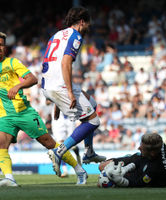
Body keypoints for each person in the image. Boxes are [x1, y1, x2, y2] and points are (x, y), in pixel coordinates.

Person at [0, 32, 87, 187]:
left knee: (49, 143)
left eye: (1, 45)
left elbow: (33, 79)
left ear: (5, 47)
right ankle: (9, 178)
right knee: (0, 143)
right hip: (5, 116)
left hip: (24, 112)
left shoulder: (12, 63)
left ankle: (79, 170)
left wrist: (18, 85)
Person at [41, 6, 106, 176]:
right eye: (88, 24)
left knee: (92, 104)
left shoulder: (57, 35)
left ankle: (89, 152)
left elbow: (50, 63)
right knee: (93, 122)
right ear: (82, 22)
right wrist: (68, 93)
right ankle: (59, 151)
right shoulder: (76, 36)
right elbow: (65, 63)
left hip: (49, 84)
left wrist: (57, 100)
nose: (88, 28)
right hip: (60, 85)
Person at [99, 133, 166, 187]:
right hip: (144, 159)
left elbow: (138, 183)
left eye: (142, 148)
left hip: (152, 177)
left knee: (105, 181)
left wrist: (121, 181)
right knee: (101, 166)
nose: (138, 148)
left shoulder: (155, 169)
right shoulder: (157, 143)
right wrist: (126, 168)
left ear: (152, 153)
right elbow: (141, 158)